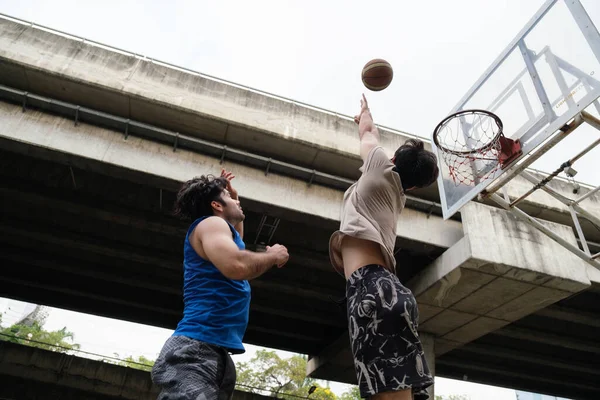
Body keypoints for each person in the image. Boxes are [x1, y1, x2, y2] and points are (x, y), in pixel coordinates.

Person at [329, 95, 439, 399]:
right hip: (389, 293)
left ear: (392, 160)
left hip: (371, 292)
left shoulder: (379, 167)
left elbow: (368, 134)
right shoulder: (397, 195)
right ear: (414, 188)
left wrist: (365, 114)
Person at [151, 169, 289, 400]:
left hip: (214, 355)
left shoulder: (220, 228)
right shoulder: (210, 224)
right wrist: (273, 255)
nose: (236, 201)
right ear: (216, 205)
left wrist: (233, 199)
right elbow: (237, 264)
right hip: (195, 351)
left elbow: (237, 243)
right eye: (227, 195)